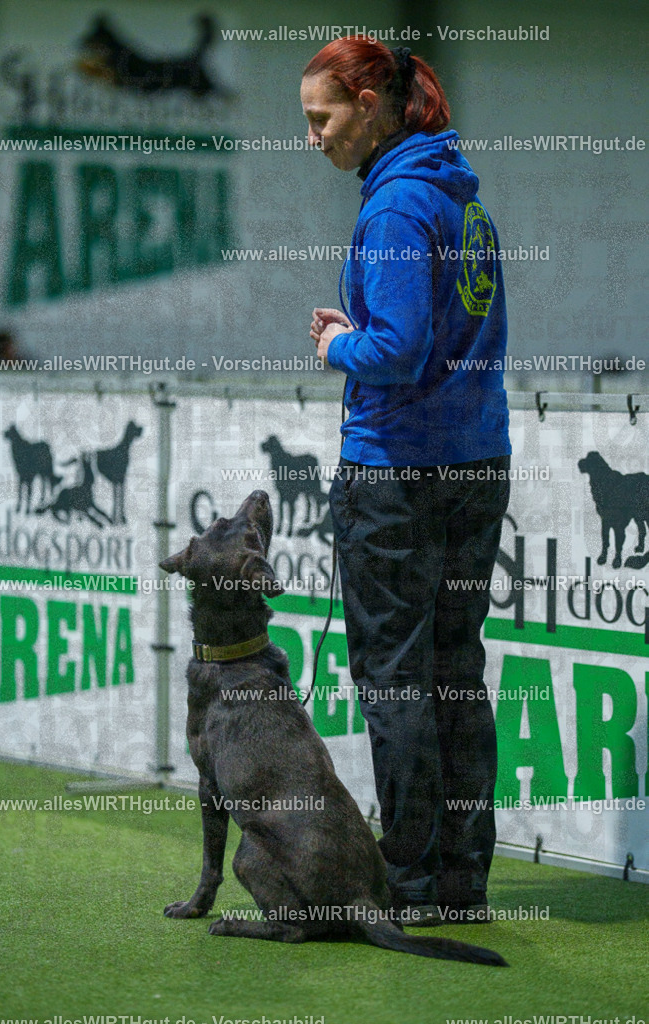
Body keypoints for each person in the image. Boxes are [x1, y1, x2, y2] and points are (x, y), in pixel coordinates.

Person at [302, 37, 511, 925]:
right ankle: (460, 884)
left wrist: (337, 345)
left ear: (370, 105)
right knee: (454, 672)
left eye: (321, 118)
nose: (312, 137)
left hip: (397, 475)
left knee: (396, 680)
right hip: (476, 463)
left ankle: (413, 884)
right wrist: (362, 332)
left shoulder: (392, 207)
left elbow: (397, 351)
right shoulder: (462, 201)